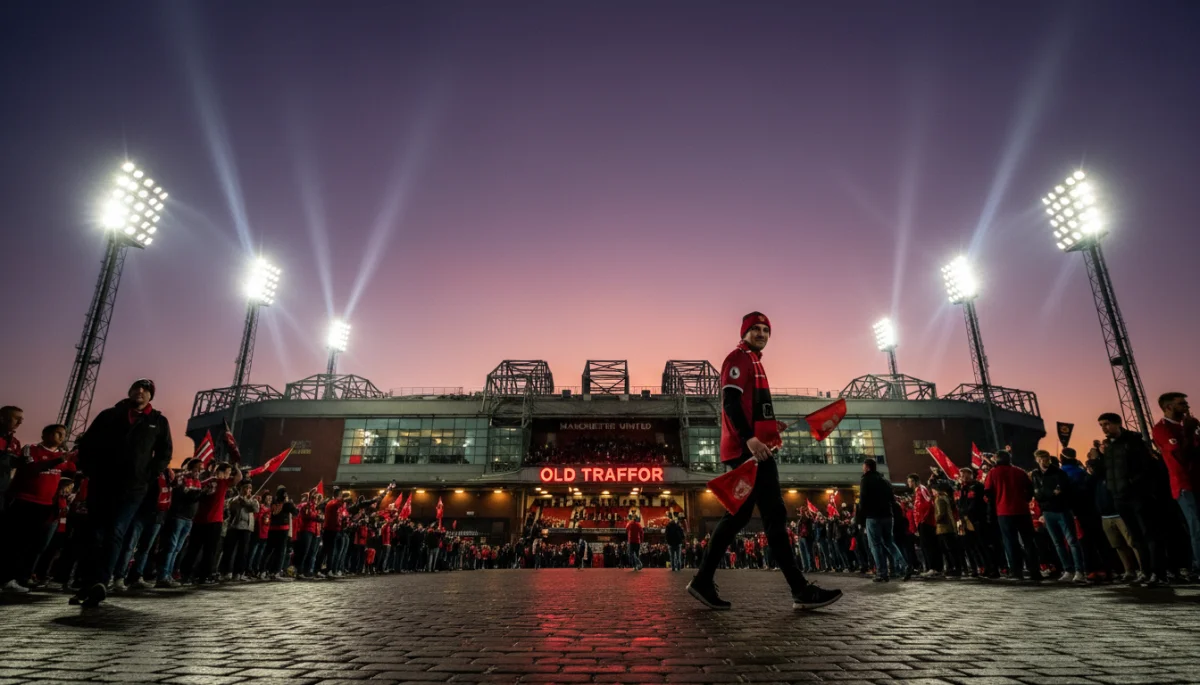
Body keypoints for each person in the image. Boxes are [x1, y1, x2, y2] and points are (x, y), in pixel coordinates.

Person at [687, 311, 841, 611]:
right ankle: (799, 589)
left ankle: (704, 580)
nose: (761, 333)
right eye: (755, 329)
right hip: (751, 451)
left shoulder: (754, 362)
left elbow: (749, 407)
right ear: (743, 333)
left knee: (741, 516)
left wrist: (769, 427)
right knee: (773, 515)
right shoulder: (739, 359)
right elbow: (730, 402)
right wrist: (751, 439)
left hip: (753, 446)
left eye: (765, 329)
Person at [72, 379, 172, 606]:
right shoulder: (109, 415)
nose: (140, 391)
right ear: (129, 392)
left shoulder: (158, 421)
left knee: (116, 531)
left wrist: (147, 475)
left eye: (145, 390)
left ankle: (100, 582)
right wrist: (90, 470)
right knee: (94, 532)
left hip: (133, 487)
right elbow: (87, 444)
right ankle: (86, 583)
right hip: (102, 482)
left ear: (151, 396)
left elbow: (165, 453)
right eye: (136, 388)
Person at [1, 423, 73, 593]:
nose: (61, 437)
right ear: (45, 434)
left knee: (32, 545)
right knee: (14, 541)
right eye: (57, 433)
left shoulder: (64, 456)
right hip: (24, 500)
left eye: (63, 434)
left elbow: (73, 473)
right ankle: (5, 577)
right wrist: (58, 461)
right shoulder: (31, 449)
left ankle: (19, 578)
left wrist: (68, 483)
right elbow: (30, 467)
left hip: (46, 505)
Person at [1099, 412, 1168, 586]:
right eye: (1101, 425)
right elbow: (1108, 471)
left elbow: (1146, 468)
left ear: (1118, 423)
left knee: (1150, 534)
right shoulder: (1109, 447)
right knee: (1136, 537)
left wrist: (1132, 484)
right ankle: (1145, 572)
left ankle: (1158, 573)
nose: (1104, 428)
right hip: (1119, 497)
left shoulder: (1133, 442)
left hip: (1138, 496)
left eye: (1106, 424)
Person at [1151, 392, 1200, 579]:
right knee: (1196, 526)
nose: (1186, 406)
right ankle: (1197, 567)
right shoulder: (1162, 429)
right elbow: (1181, 456)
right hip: (1184, 485)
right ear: (1169, 407)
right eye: (1181, 403)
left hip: (1197, 481)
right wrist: (1188, 433)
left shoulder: (1187, 425)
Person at [1031, 450, 1088, 583]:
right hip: (1047, 512)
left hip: (1062, 510)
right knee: (1058, 543)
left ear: (1048, 459)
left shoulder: (1059, 473)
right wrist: (1050, 494)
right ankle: (1068, 570)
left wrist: (1044, 494)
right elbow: (1038, 494)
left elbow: (1061, 491)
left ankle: (1079, 571)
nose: (1042, 461)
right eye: (1040, 459)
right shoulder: (1036, 474)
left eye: (1045, 458)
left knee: (1071, 541)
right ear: (1036, 460)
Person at [985, 451, 1042, 582]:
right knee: (1029, 542)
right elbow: (1030, 488)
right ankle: (1035, 571)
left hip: (1004, 512)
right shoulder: (1019, 471)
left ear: (996, 460)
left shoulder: (993, 473)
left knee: (1010, 542)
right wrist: (1025, 500)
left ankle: (1016, 571)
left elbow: (988, 492)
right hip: (1022, 510)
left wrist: (993, 508)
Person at [856, 458, 908, 582]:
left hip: (873, 516)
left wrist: (860, 520)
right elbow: (892, 499)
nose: (862, 468)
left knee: (875, 545)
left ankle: (882, 573)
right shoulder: (884, 480)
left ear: (867, 467)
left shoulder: (865, 480)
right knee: (889, 542)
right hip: (887, 516)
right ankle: (905, 565)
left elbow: (863, 500)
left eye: (863, 466)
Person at [907, 473, 941, 578]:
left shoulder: (921, 489)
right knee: (925, 545)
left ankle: (933, 568)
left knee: (928, 545)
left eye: (910, 481)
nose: (908, 483)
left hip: (925, 523)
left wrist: (923, 519)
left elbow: (929, 502)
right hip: (921, 522)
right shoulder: (917, 491)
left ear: (914, 481)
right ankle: (931, 568)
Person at [0, 406, 25, 515]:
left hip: (2, 492)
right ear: (2, 419)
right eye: (17, 418)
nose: (20, 422)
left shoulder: (15, 442)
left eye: (21, 419)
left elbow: (15, 465)